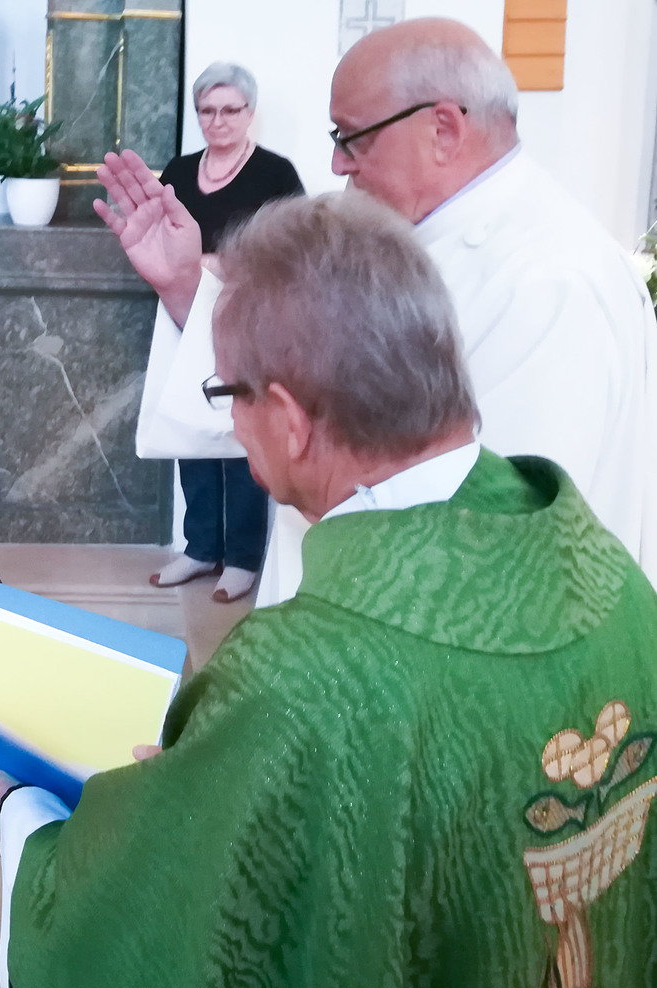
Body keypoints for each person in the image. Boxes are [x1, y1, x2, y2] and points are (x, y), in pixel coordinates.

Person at [0, 191, 657, 988]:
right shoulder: (603, 572)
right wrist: (228, 776)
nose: (230, 425)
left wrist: (22, 818)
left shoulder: (306, 680)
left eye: (227, 394)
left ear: (293, 418)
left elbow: (167, 958)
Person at [101, 18, 657, 604]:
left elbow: (495, 544)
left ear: (443, 129)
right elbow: (297, 386)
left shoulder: (548, 283)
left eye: (351, 137)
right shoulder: (404, 239)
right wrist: (185, 285)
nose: (337, 164)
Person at [151, 62, 304, 603]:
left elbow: (295, 244)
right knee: (191, 431)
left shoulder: (275, 173)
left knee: (240, 434)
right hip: (182, 313)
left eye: (230, 110)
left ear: (249, 113)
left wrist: (223, 262)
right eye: (207, 111)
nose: (218, 121)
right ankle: (200, 548)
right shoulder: (178, 170)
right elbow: (156, 235)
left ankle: (241, 558)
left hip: (247, 318)